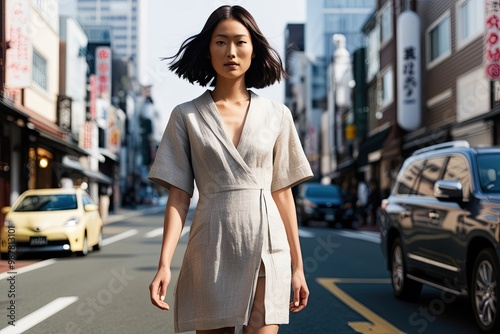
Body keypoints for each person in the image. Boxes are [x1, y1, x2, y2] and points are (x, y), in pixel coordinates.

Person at [148, 5, 313, 334]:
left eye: (240, 42)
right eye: (221, 42)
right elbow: (180, 197)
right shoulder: (187, 116)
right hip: (212, 246)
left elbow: (282, 192)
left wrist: (298, 265)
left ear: (254, 49)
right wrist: (164, 264)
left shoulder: (278, 115)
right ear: (208, 49)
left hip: (269, 244)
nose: (231, 52)